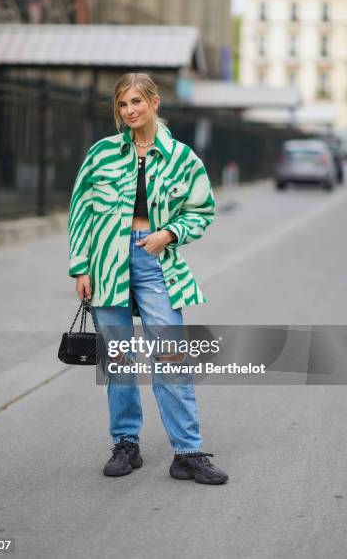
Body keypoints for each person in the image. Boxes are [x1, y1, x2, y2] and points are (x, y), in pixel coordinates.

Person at [67, 72, 228, 485]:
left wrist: (169, 233)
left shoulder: (182, 158)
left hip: (155, 260)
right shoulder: (101, 154)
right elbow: (81, 212)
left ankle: (188, 452)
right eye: (122, 105)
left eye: (137, 101)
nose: (129, 111)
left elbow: (202, 210)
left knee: (171, 353)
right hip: (106, 262)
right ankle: (126, 443)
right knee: (118, 358)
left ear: (155, 102)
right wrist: (80, 266)